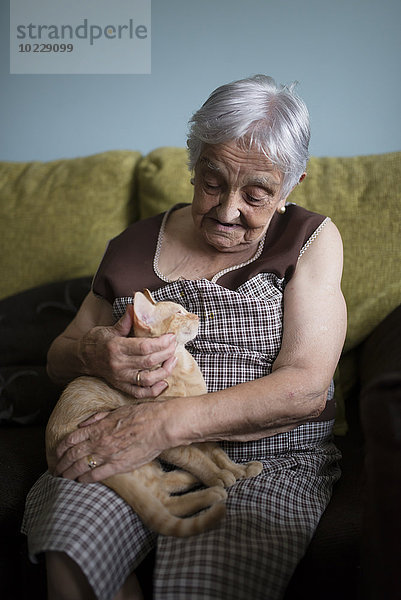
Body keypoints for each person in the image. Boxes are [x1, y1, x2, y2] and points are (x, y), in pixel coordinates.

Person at [22, 74, 347, 600]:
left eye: (257, 194)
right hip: (128, 437)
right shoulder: (131, 246)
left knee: (205, 577)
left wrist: (164, 425)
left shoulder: (310, 239)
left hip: (263, 455)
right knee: (71, 551)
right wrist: (92, 352)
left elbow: (305, 387)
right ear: (194, 164)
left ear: (291, 186)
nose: (226, 211)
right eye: (212, 182)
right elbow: (59, 357)